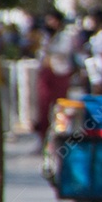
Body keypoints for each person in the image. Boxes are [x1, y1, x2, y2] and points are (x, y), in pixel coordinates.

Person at [35, 10, 78, 144]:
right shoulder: (45, 37)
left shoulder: (65, 36)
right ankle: (42, 138)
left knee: (60, 107)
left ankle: (60, 138)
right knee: (43, 106)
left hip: (61, 73)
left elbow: (65, 51)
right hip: (46, 73)